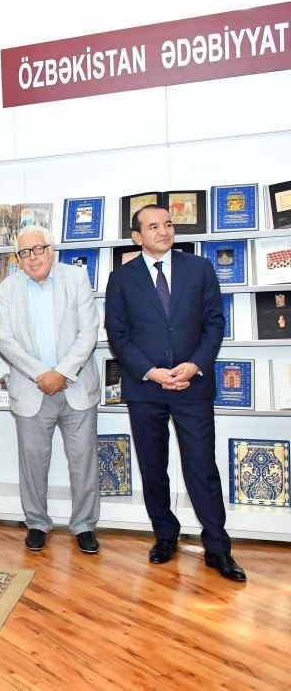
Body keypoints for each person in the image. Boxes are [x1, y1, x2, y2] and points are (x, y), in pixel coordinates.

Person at [105, 205, 246, 582]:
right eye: (153, 226)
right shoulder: (121, 278)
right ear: (137, 237)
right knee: (153, 467)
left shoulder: (199, 268)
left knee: (201, 467)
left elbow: (214, 323)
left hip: (191, 385)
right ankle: (165, 536)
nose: (164, 231)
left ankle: (218, 547)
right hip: (145, 388)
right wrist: (151, 372)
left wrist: (195, 365)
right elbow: (118, 334)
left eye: (168, 224)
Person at [0, 225, 101, 553]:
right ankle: (37, 522)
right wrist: (43, 374)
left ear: (51, 250)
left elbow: (89, 332)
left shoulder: (76, 278)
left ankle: (84, 525)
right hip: (32, 389)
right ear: (18, 258)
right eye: (24, 252)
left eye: (38, 249)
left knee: (83, 461)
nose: (33, 257)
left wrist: (62, 373)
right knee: (33, 462)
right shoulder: (7, 288)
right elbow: (6, 342)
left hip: (76, 387)